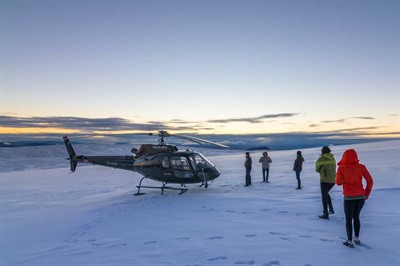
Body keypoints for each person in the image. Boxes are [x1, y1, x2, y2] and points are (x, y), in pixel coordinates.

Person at [336, 149, 373, 248]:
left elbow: (338, 183)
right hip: (361, 197)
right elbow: (370, 181)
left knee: (348, 219)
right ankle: (356, 238)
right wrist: (366, 194)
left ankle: (349, 241)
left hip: (349, 198)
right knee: (356, 217)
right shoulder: (361, 167)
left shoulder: (341, 168)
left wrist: (342, 178)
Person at [315, 146, 336, 219]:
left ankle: (325, 213)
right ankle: (331, 209)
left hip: (324, 180)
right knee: (326, 193)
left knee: (324, 196)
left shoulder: (321, 159)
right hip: (333, 180)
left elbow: (317, 170)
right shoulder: (333, 158)